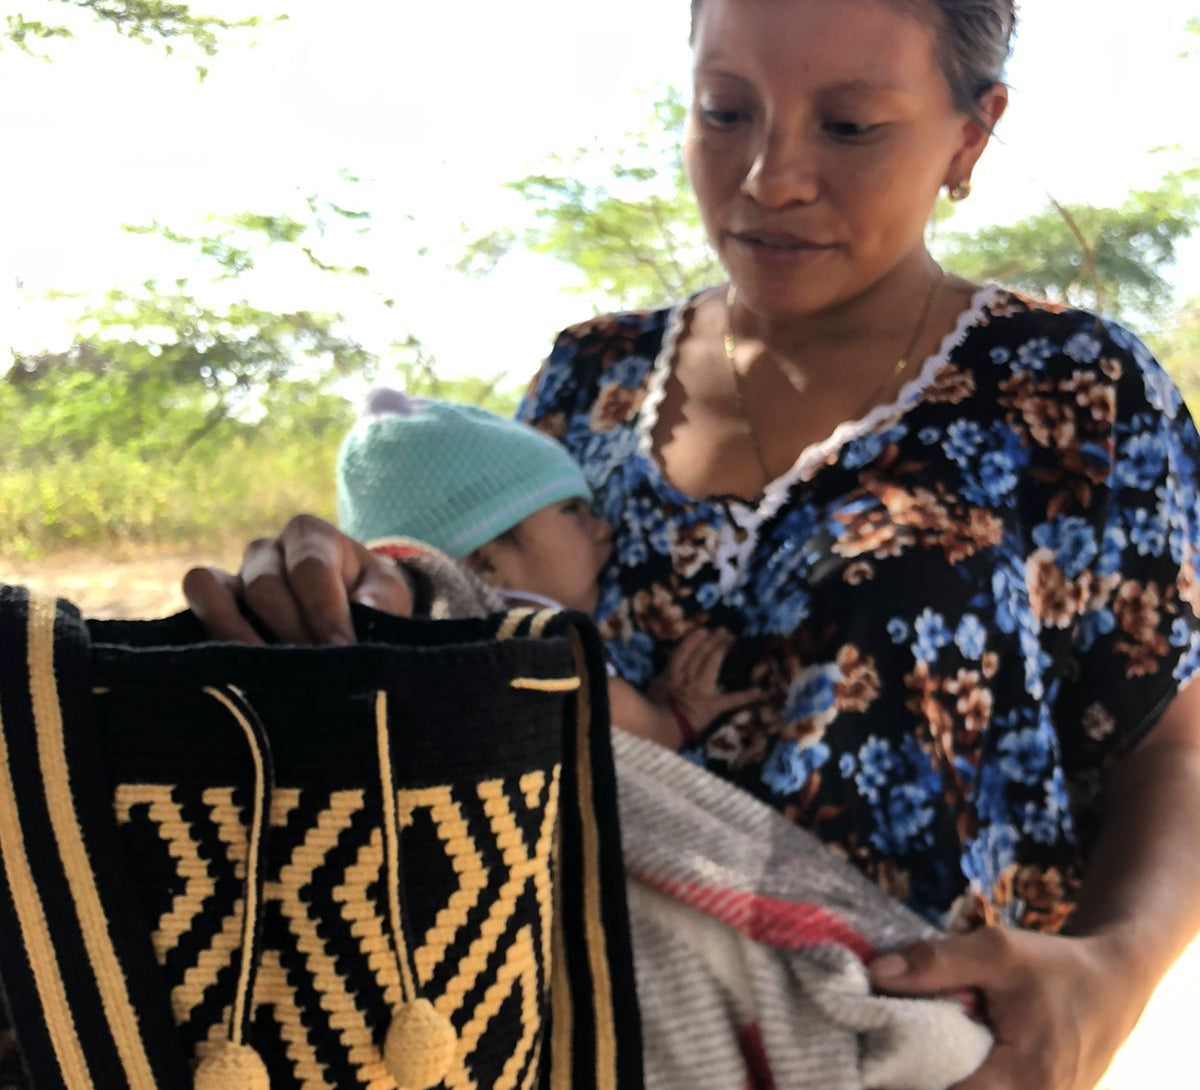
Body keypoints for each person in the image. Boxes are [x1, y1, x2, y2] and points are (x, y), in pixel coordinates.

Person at [183, 1, 1200, 1087]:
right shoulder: (591, 379)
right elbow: (490, 655)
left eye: (850, 125)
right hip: (574, 1040)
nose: (770, 175)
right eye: (725, 111)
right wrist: (367, 596)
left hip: (910, 1054)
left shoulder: (1068, 390)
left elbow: (1173, 744)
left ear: (971, 135)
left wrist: (1116, 967)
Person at [336, 386, 760, 747]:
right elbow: (629, 734)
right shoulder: (533, 636)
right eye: (573, 511)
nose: (603, 529)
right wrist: (675, 716)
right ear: (486, 564)